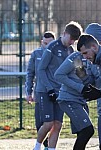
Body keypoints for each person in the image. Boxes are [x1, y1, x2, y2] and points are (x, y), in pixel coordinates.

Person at [33, 21, 83, 150]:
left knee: (58, 124)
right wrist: (49, 89)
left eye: (74, 40)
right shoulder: (52, 47)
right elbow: (41, 70)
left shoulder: (71, 50)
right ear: (64, 34)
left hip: (61, 92)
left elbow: (79, 70)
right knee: (48, 123)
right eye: (71, 39)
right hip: (46, 90)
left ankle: (51, 149)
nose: (72, 42)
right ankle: (37, 147)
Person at [54, 52, 96, 150]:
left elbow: (90, 79)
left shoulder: (97, 58)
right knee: (87, 130)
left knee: (82, 132)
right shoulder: (77, 57)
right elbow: (59, 74)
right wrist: (80, 88)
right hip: (69, 99)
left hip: (81, 100)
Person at [25, 31, 56, 150]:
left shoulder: (57, 54)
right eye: (45, 43)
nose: (47, 46)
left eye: (50, 43)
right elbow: (30, 74)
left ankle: (49, 146)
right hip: (40, 92)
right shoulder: (36, 54)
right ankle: (44, 144)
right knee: (40, 123)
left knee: (55, 122)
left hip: (55, 91)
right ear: (41, 42)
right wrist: (28, 92)